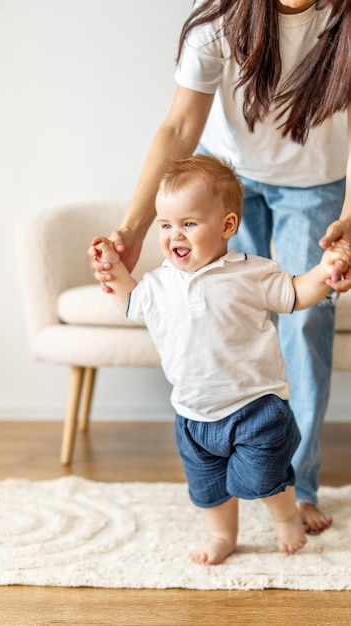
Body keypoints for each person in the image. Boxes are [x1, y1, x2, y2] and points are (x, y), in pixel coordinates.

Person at [90, 0, 351, 535]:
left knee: (305, 318)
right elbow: (180, 124)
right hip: (224, 176)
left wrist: (350, 221)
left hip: (315, 179)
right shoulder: (218, 18)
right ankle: (233, 479)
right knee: (224, 308)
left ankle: (293, 485)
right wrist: (137, 228)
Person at [90, 154, 351, 565]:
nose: (175, 234)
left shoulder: (251, 273)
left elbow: (297, 294)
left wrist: (324, 271)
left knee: (261, 477)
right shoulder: (159, 284)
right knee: (208, 487)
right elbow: (132, 302)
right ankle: (222, 536)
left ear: (227, 226)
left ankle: (286, 520)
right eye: (166, 224)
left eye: (189, 223)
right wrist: (111, 269)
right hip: (192, 413)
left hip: (256, 408)